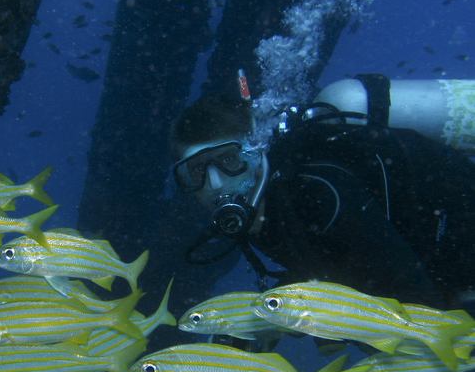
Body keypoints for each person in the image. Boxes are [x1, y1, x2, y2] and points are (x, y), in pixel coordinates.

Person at [169, 75, 475, 309]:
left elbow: (414, 294)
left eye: (228, 160)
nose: (216, 184)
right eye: (195, 172)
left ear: (257, 154)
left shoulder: (320, 194)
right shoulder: (258, 214)